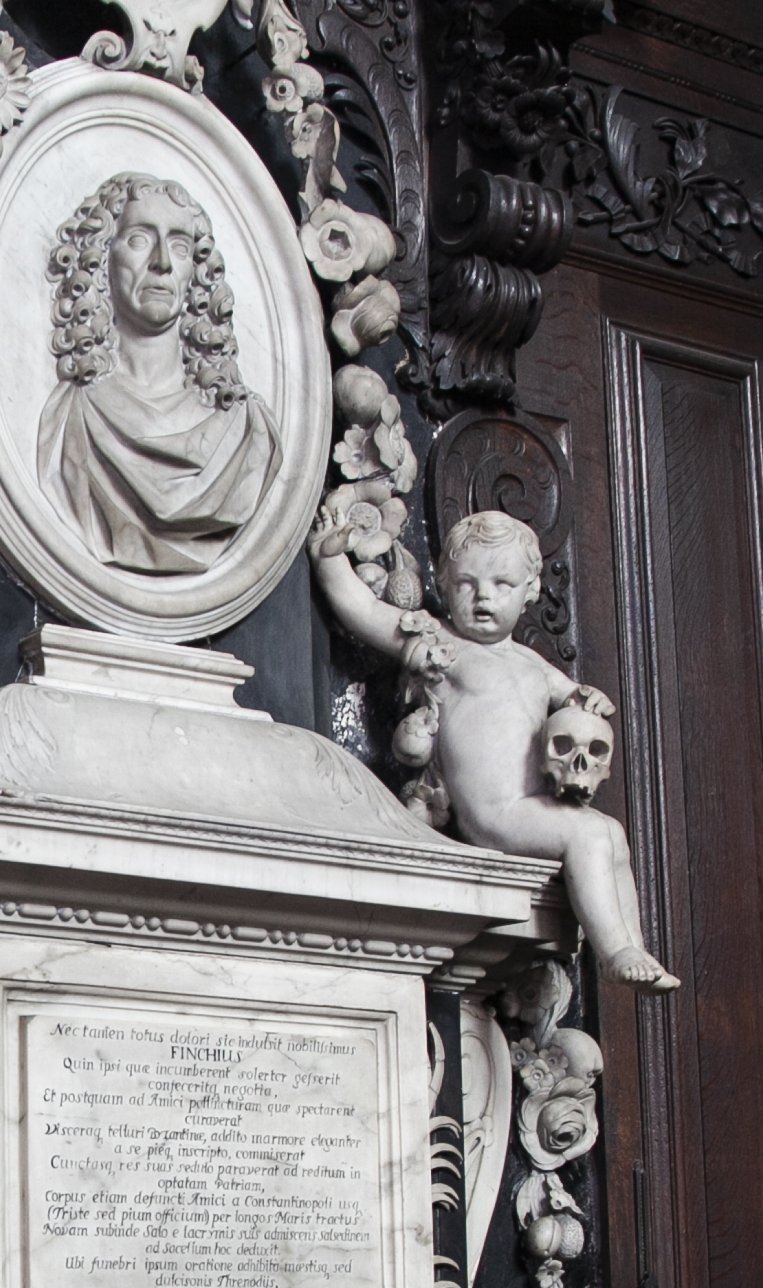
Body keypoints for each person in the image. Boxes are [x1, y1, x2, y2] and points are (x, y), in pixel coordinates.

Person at [314, 508, 679, 988]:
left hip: (529, 804)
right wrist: (329, 557)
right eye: (466, 584)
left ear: (530, 592)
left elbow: (575, 696)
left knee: (609, 830)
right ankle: (615, 950)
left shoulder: (531, 664)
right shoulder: (445, 646)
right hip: (493, 813)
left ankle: (632, 941)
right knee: (588, 836)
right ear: (444, 585)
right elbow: (365, 613)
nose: (483, 596)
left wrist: (586, 699)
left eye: (502, 585)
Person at [36, 173, 279, 577]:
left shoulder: (247, 429)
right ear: (100, 262)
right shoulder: (68, 420)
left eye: (180, 246)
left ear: (196, 275)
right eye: (139, 240)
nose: (162, 262)